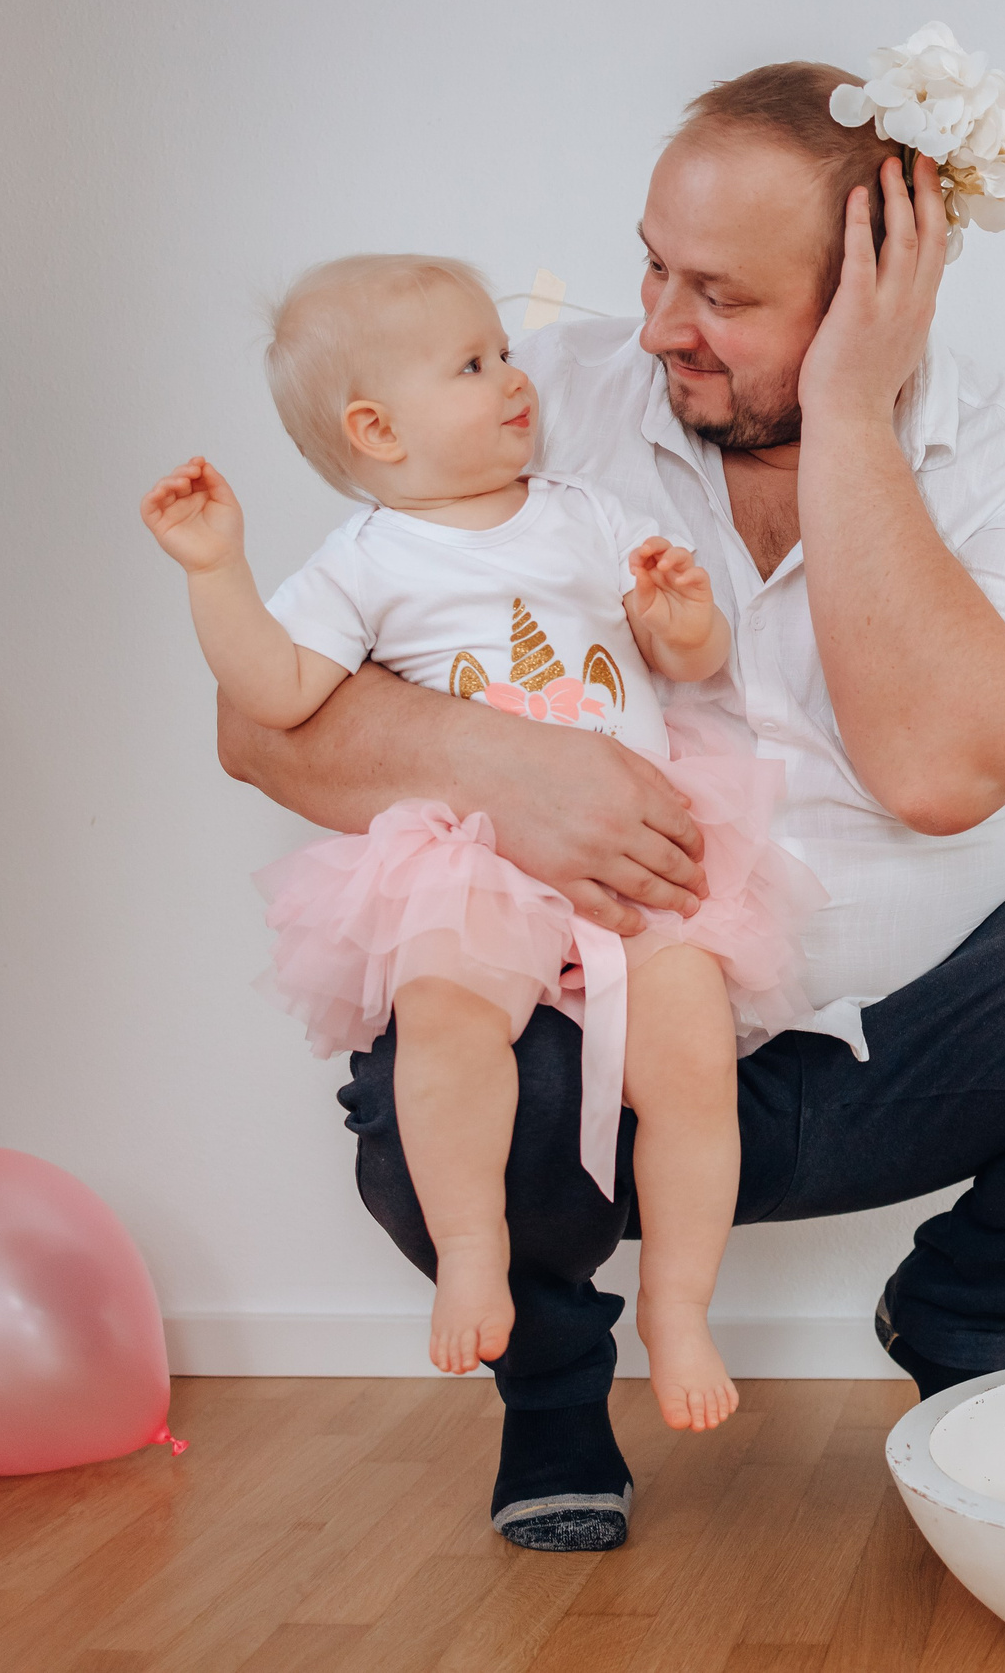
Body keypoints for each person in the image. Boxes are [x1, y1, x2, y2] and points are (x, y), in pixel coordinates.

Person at [216, 62, 1005, 1554]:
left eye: (718, 292)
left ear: (877, 289)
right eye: (652, 263)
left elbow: (939, 771)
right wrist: (508, 768)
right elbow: (263, 722)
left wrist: (851, 411)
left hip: (905, 1029)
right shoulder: (531, 400)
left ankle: (958, 1306)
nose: (661, 321)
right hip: (601, 1005)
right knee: (432, 1087)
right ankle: (552, 1392)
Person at [144, 253, 824, 1437]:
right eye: (471, 365)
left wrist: (679, 621)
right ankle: (472, 1250)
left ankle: (678, 1303)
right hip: (473, 858)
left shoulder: (587, 513)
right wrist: (218, 576)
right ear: (378, 428)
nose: (515, 379)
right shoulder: (365, 560)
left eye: (503, 353)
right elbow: (276, 691)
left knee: (692, 1064)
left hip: (635, 845)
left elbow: (690, 663)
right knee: (451, 1023)